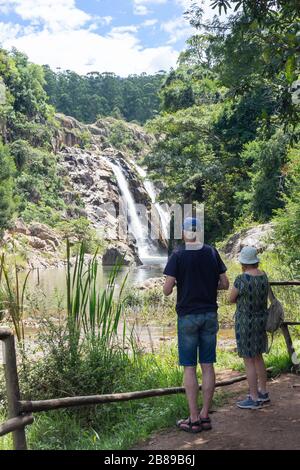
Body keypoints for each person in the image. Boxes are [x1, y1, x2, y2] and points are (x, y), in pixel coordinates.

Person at [163, 217, 229, 433]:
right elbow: (225, 283)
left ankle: (192, 419)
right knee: (208, 365)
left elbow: (167, 289)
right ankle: (205, 416)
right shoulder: (211, 252)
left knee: (189, 367)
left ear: (184, 233)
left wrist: (181, 285)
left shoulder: (178, 254)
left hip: (188, 316)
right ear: (199, 233)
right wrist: (208, 287)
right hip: (209, 314)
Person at [229, 246, 270, 409]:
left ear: (243, 262)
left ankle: (253, 398)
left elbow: (231, 298)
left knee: (248, 359)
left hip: (245, 322)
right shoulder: (264, 276)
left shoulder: (241, 279)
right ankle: (263, 392)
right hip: (261, 320)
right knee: (258, 356)